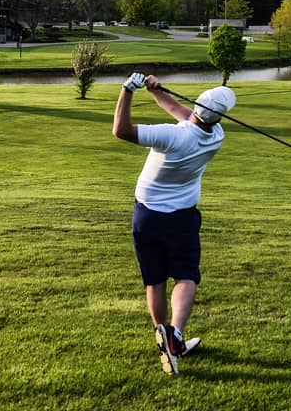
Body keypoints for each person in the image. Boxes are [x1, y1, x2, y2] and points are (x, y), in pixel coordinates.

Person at [112, 72, 236, 376]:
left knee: (155, 279)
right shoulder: (216, 136)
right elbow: (181, 112)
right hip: (182, 217)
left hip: (147, 215)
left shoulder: (172, 135)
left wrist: (127, 91)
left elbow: (121, 130)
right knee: (185, 276)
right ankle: (175, 336)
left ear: (197, 108)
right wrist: (157, 92)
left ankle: (164, 335)